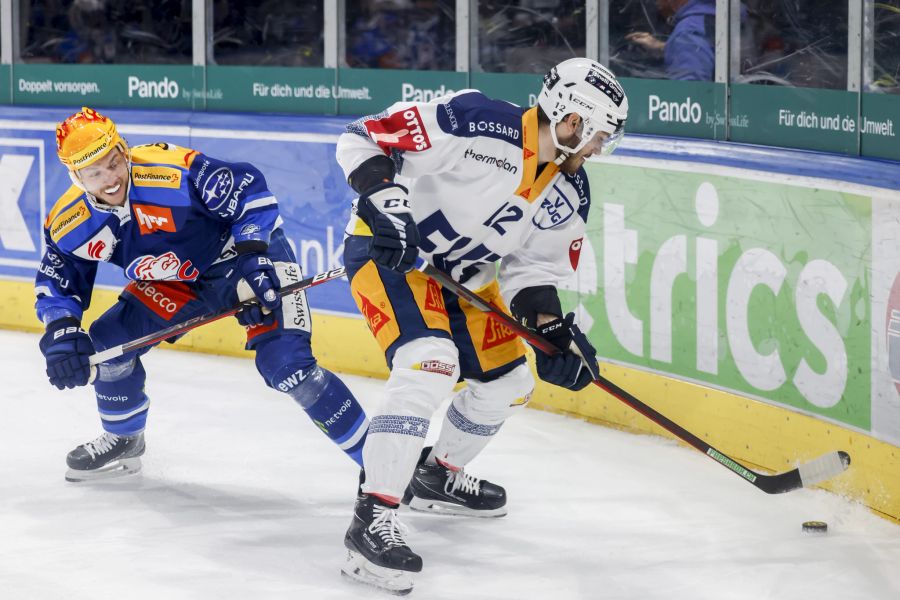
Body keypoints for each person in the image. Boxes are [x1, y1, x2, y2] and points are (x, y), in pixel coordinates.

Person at [334, 57, 628, 593]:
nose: (597, 150)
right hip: (395, 257)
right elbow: (363, 138)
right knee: (429, 366)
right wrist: (386, 204)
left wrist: (550, 331)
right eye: (597, 136)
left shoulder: (571, 190)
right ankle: (370, 519)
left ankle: (436, 475)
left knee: (509, 383)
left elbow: (532, 269)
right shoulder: (476, 120)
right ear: (570, 120)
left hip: (464, 276)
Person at [36, 107, 369, 482]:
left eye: (113, 163)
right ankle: (124, 438)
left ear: (124, 149)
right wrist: (61, 330)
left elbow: (249, 190)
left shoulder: (172, 171)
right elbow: (59, 281)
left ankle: (381, 464)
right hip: (176, 282)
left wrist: (253, 255)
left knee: (288, 367)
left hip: (243, 260)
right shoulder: (71, 223)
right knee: (108, 343)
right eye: (93, 173)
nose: (110, 179)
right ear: (75, 177)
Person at [625, 0, 716, 81]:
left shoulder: (688, 31)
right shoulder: (715, 16)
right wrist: (664, 47)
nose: (655, 2)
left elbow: (690, 93)